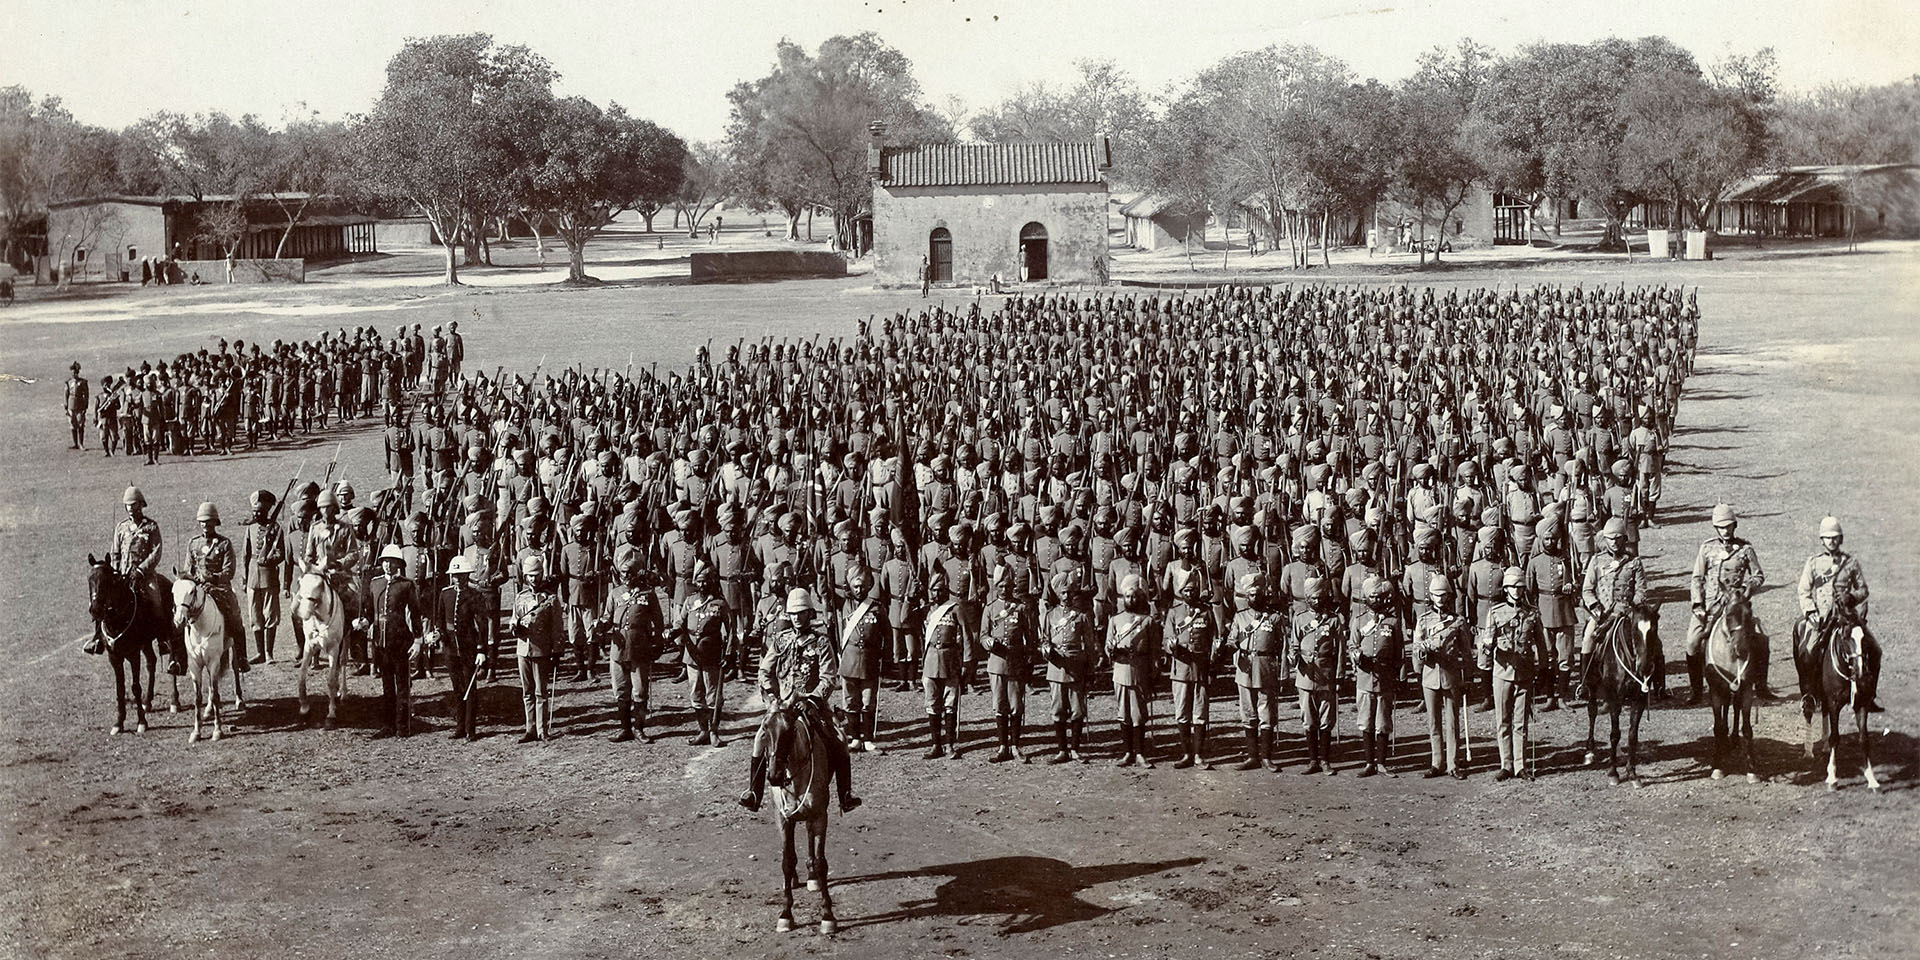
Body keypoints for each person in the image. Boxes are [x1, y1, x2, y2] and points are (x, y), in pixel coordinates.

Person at [738, 587, 862, 813]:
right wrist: (772, 697)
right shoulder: (780, 640)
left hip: (811, 706)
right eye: (793, 613)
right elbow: (765, 671)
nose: (796, 618)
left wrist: (813, 699)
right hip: (782, 706)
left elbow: (828, 676)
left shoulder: (821, 642)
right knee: (760, 739)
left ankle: (845, 794)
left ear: (810, 614)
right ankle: (754, 792)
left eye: (801, 613)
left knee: (840, 738)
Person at [1795, 516, 1880, 712]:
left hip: (1847, 617)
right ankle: (1809, 694)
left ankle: (1869, 695)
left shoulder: (1850, 563)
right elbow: (1803, 590)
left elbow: (1863, 590)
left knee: (1874, 650)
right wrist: (1810, 611)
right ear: (1821, 540)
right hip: (1822, 617)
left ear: (1840, 539)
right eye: (1827, 537)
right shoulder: (1813, 563)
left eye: (1835, 537)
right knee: (1809, 651)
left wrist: (1851, 597)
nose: (1831, 541)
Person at [1685, 504, 1767, 704]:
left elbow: (1758, 575)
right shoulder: (1707, 548)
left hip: (1737, 605)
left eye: (1728, 526)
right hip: (1712, 605)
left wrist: (1747, 589)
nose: (1725, 531)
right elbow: (1697, 578)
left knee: (1762, 639)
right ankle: (1696, 690)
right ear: (1715, 528)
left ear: (1734, 526)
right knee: (1692, 641)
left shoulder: (1746, 549)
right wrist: (1698, 605)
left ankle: (1761, 685)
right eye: (1721, 527)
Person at [1483, 567, 1550, 781]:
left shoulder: (1532, 612)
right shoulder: (1495, 612)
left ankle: (1520, 765)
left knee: (1521, 720)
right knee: (1503, 719)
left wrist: (1544, 668)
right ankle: (1506, 764)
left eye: (1520, 587)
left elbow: (1541, 642)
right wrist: (1485, 659)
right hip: (1502, 672)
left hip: (1524, 672)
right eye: (1512, 587)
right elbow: (1486, 642)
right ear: (1505, 589)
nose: (1517, 591)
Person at [1579, 517, 1653, 697]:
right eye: (1610, 538)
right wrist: (1596, 608)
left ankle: (1655, 684)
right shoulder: (1597, 561)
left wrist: (1632, 607)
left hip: (1628, 613)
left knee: (1652, 641)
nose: (1614, 542)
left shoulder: (1634, 562)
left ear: (1624, 539)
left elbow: (1641, 590)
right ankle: (1585, 684)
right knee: (1588, 639)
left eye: (1618, 538)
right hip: (1602, 614)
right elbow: (1587, 590)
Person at [1222, 572, 1284, 771]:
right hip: (1245, 668)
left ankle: (1266, 757)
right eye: (1251, 595)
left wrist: (1283, 673)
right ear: (1246, 597)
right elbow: (1231, 640)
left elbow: (1283, 646)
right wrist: (1230, 647)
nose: (1255, 598)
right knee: (1248, 712)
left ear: (1264, 594)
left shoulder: (1274, 617)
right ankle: (1252, 757)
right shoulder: (1240, 617)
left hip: (1266, 667)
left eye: (1258, 594)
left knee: (1266, 713)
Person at [1412, 574, 1470, 779]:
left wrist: (1467, 677)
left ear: (1449, 596)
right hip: (1429, 676)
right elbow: (1416, 646)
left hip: (1450, 675)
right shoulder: (1424, 620)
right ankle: (1437, 762)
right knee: (1433, 722)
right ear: (1430, 596)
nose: (1440, 599)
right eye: (1436, 595)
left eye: (1443, 595)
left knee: (1452, 721)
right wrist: (1420, 656)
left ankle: (1453, 763)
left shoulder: (1457, 621)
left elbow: (1466, 652)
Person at [672, 562, 731, 746]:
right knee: (696, 693)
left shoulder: (720, 604)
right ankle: (703, 730)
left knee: (713, 694)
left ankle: (714, 731)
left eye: (705, 581)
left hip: (712, 653)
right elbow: (680, 622)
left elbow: (731, 631)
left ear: (712, 582)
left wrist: (729, 654)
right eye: (699, 582)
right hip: (692, 653)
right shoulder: (690, 601)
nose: (702, 585)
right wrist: (672, 632)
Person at [606, 554, 663, 742]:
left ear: (637, 574)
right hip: (618, 648)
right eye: (623, 573)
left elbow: (658, 622)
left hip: (640, 648)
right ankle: (625, 729)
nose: (626, 577)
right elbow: (607, 616)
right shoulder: (614, 593)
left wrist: (657, 643)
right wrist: (602, 625)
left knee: (639, 691)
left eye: (630, 573)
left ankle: (639, 728)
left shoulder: (648, 594)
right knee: (621, 691)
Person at [1105, 574, 1160, 768]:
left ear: (1141, 597)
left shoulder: (1147, 622)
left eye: (1135, 596)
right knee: (1123, 713)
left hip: (1139, 670)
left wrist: (1154, 671)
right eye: (1128, 597)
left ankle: (1140, 753)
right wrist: (1111, 648)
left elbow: (1154, 650)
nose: (1131, 600)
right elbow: (1107, 647)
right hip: (1120, 670)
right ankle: (1127, 751)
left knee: (1138, 714)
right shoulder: (1115, 620)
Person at [1349, 576, 1401, 777]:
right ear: (1365, 597)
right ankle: (1369, 762)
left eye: (1379, 596)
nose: (1376, 600)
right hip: (1365, 676)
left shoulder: (1393, 622)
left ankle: (1381, 763)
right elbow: (1352, 644)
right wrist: (1356, 655)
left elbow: (1398, 653)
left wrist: (1398, 676)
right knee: (1366, 720)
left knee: (1383, 722)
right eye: (1372, 596)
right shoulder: (1360, 620)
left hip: (1385, 677)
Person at [981, 564, 1034, 763]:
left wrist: (1028, 658)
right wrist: (988, 642)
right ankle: (1003, 746)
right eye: (1001, 586)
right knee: (999, 704)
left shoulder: (1020, 608)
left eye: (1008, 586)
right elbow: (982, 635)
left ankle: (1016, 746)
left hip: (1015, 662)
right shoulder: (990, 608)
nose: (1005, 590)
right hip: (996, 662)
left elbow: (1029, 636)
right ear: (996, 587)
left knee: (1016, 705)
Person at [1291, 575, 1343, 775]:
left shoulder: (1333, 620)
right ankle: (1312, 760)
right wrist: (1295, 657)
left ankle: (1325, 760)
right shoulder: (1300, 618)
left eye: (1320, 597)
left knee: (1326, 719)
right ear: (1307, 598)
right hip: (1306, 676)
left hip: (1326, 673)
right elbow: (1294, 644)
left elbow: (1340, 650)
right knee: (1309, 719)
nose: (1317, 601)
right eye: (1313, 598)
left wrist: (1339, 677)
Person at [368, 544, 421, 738]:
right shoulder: (375, 583)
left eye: (392, 562)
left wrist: (418, 640)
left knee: (403, 686)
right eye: (385, 562)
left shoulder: (406, 585)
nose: (388, 566)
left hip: (400, 642)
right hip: (381, 643)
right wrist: (363, 621)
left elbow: (415, 614)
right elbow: (368, 610)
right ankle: (388, 725)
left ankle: (403, 726)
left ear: (399, 564)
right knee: (387, 686)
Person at [1041, 572, 1095, 763]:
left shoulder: (1081, 616)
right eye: (1062, 593)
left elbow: (1089, 644)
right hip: (1056, 666)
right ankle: (1062, 749)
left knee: (1078, 709)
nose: (1066, 596)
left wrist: (1090, 668)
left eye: (1069, 592)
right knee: (1058, 708)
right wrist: (1046, 649)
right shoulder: (1050, 615)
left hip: (1076, 664)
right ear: (1057, 594)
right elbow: (1044, 639)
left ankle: (1075, 749)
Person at [1164, 574, 1214, 769]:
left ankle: (1199, 755)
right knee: (1182, 712)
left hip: (1200, 668)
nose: (1190, 593)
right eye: (1186, 590)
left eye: (1193, 590)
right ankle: (1186, 754)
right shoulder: (1174, 613)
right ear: (1180, 593)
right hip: (1181, 669)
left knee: (1200, 713)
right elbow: (1166, 640)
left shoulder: (1206, 612)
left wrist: (1213, 660)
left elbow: (1213, 638)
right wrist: (1172, 646)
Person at [437, 554, 489, 741]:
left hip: (469, 648)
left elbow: (483, 624)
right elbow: (440, 621)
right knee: (457, 688)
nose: (457, 579)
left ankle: (471, 729)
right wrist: (440, 637)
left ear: (467, 575)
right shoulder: (446, 593)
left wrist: (482, 650)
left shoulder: (475, 595)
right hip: (451, 649)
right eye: (454, 575)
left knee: (470, 688)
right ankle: (460, 727)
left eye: (460, 575)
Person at [836, 564, 885, 752]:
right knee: (850, 701)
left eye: (862, 586)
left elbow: (886, 635)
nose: (859, 590)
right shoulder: (844, 605)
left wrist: (886, 659)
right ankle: (854, 737)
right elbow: (825, 591)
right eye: (855, 586)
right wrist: (825, 569)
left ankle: (868, 738)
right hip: (849, 659)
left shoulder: (876, 608)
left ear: (868, 587)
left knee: (868, 701)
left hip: (868, 661)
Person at [512, 554, 561, 742]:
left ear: (542, 574)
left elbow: (557, 628)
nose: (533, 579)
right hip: (523, 649)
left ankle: (542, 730)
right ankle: (530, 728)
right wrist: (514, 626)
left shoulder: (550, 599)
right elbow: (513, 621)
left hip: (541, 650)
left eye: (536, 575)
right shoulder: (520, 597)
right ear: (525, 577)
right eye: (530, 576)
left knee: (541, 691)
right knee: (527, 692)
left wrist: (557, 650)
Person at [919, 571, 967, 760]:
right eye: (933, 590)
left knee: (950, 703)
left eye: (939, 591)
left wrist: (967, 663)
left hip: (950, 661)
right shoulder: (927, 611)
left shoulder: (955, 609)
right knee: (932, 703)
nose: (936, 595)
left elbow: (967, 637)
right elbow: (905, 619)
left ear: (946, 591)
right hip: (930, 660)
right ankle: (935, 744)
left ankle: (949, 745)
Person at [241, 489, 288, 664]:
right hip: (253, 576)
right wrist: (244, 578)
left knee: (270, 615)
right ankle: (260, 652)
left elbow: (281, 553)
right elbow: (245, 554)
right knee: (255, 615)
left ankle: (269, 653)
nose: (256, 515)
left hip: (269, 576)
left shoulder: (275, 528)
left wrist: (268, 560)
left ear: (267, 511)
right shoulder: (251, 528)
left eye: (259, 512)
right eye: (254, 512)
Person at [64, 363, 89, 450]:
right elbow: (66, 394)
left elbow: (86, 394)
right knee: (72, 424)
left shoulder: (82, 382)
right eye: (72, 373)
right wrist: (66, 405)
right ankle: (75, 444)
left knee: (80, 424)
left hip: (80, 405)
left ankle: (81, 444)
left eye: (75, 373)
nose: (73, 374)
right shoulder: (68, 382)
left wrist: (85, 406)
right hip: (71, 405)